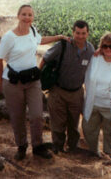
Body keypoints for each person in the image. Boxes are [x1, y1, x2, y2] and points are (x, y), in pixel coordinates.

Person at [0, 4, 67, 160]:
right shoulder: (9, 37)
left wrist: (59, 37)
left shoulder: (33, 31)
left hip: (33, 81)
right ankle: (22, 146)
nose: (27, 18)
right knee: (17, 116)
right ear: (18, 16)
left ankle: (38, 146)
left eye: (30, 15)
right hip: (13, 82)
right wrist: (1, 81)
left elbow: (40, 40)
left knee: (36, 115)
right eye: (24, 14)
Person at [39, 20, 95, 154]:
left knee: (74, 123)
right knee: (57, 123)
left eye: (83, 33)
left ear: (87, 33)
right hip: (58, 90)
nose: (80, 36)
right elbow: (45, 59)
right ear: (73, 32)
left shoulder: (91, 50)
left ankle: (72, 147)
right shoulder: (62, 45)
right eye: (77, 33)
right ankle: (57, 147)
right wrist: (37, 77)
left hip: (76, 92)